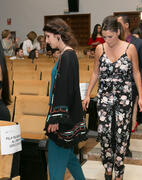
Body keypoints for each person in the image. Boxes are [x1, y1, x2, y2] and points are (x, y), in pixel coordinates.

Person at [83, 16, 142, 180]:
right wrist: (88, 94)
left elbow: (136, 73)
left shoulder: (130, 48)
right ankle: (108, 168)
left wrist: (140, 97)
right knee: (104, 135)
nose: (107, 40)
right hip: (104, 99)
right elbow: (96, 72)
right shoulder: (100, 49)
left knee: (121, 136)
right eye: (104, 36)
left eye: (110, 36)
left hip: (124, 99)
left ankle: (119, 171)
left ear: (118, 32)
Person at [43, 18, 87, 180]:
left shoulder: (67, 56)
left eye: (48, 36)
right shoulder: (68, 55)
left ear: (58, 35)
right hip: (65, 115)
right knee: (69, 158)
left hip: (61, 119)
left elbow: (64, 90)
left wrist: (56, 118)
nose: (47, 41)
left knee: (55, 167)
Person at [117, 15, 142, 157]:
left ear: (127, 25)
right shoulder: (114, 42)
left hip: (131, 88)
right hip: (114, 87)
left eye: (118, 24)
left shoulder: (138, 43)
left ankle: (125, 145)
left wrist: (137, 85)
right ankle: (114, 144)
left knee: (127, 118)